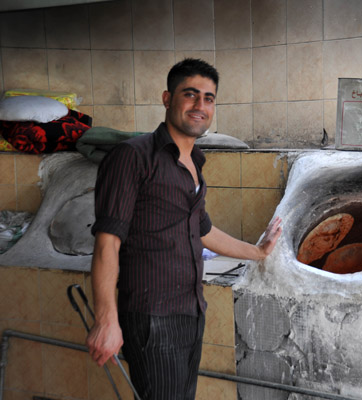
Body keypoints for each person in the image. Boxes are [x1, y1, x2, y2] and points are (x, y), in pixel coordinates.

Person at [86, 58, 282, 400]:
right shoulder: (133, 157)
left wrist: (258, 251)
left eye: (208, 98)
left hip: (190, 312)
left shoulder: (195, 162)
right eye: (190, 95)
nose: (200, 105)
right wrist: (106, 320)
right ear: (167, 98)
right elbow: (108, 242)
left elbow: (203, 230)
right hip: (152, 316)